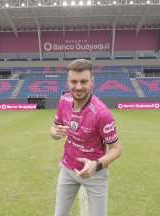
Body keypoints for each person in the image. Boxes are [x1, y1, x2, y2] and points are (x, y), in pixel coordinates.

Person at [50, 59, 122, 216]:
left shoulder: (102, 113)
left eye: (83, 81)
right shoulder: (64, 100)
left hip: (95, 174)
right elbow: (54, 129)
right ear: (68, 82)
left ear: (92, 82)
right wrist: (55, 133)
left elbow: (116, 149)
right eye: (73, 82)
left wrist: (95, 165)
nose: (78, 87)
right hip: (68, 169)